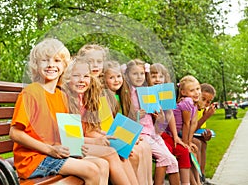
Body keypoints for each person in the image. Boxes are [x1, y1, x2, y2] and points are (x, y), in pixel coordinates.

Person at [9, 38, 109, 184]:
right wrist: (49, 149)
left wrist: (77, 147)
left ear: (64, 66)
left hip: (54, 154)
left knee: (103, 165)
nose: (51, 65)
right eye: (45, 60)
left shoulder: (61, 95)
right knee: (91, 171)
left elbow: (67, 133)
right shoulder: (31, 92)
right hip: (34, 159)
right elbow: (15, 133)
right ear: (36, 65)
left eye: (56, 60)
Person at [61, 56, 138, 185]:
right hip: (71, 146)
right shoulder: (65, 98)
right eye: (76, 76)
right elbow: (71, 138)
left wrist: (107, 137)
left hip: (82, 142)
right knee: (111, 153)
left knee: (122, 150)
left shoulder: (83, 98)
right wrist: (97, 141)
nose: (81, 80)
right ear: (67, 77)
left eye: (86, 76)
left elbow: (91, 128)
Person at [123, 59, 180, 185]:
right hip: (141, 133)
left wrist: (159, 117)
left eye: (142, 73)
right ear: (127, 75)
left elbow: (160, 119)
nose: (139, 77)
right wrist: (137, 115)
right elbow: (126, 117)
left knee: (173, 162)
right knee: (164, 159)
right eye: (135, 74)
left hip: (153, 132)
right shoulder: (128, 93)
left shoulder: (148, 91)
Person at [103, 60, 153, 185]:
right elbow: (110, 126)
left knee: (145, 147)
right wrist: (127, 138)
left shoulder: (119, 96)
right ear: (104, 80)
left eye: (118, 76)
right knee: (135, 153)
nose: (116, 80)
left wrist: (132, 136)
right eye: (111, 77)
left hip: (116, 135)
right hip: (108, 137)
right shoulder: (106, 97)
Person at [149, 63, 191, 185]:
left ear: (165, 78)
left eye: (160, 76)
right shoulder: (146, 94)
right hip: (152, 134)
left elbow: (170, 114)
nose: (157, 79)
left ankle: (186, 183)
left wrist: (176, 136)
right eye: (153, 76)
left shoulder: (166, 93)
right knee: (167, 154)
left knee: (183, 151)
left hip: (163, 133)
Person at [173, 75, 201, 185]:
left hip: (180, 132)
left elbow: (193, 123)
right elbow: (186, 123)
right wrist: (186, 144)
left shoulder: (194, 103)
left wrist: (189, 142)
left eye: (198, 89)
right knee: (187, 152)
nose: (197, 93)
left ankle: (198, 181)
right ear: (183, 92)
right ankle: (194, 183)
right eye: (192, 90)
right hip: (171, 132)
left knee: (193, 149)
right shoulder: (187, 102)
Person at [194, 83, 216, 184]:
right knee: (198, 144)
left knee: (203, 143)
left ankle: (202, 176)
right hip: (185, 134)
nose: (206, 104)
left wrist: (207, 135)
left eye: (209, 101)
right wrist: (206, 116)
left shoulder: (203, 109)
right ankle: (198, 177)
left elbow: (200, 130)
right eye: (203, 99)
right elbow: (193, 128)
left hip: (195, 135)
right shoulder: (193, 108)